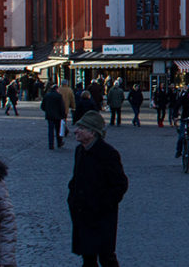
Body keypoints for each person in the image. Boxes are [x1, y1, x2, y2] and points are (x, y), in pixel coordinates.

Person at [68, 111, 129, 267]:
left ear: (92, 132)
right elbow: (76, 179)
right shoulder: (80, 150)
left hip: (101, 216)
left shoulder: (108, 154)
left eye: (81, 128)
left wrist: (103, 204)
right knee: (87, 258)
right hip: (83, 214)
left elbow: (120, 184)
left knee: (106, 257)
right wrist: (72, 199)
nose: (76, 131)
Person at [41, 84, 67, 149]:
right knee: (58, 130)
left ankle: (51, 144)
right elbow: (62, 107)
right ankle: (59, 143)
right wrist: (63, 115)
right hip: (58, 116)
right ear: (56, 89)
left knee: (50, 130)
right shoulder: (59, 96)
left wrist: (47, 111)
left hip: (49, 115)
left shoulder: (47, 95)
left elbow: (42, 106)